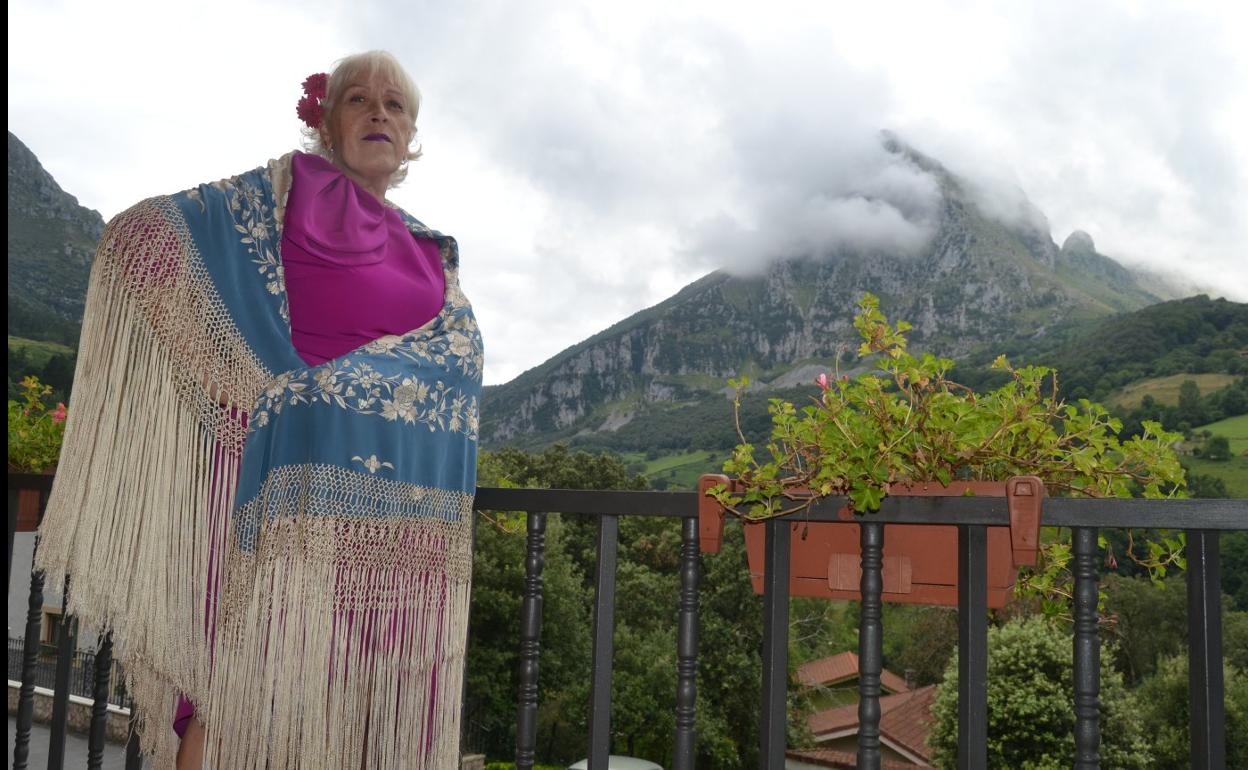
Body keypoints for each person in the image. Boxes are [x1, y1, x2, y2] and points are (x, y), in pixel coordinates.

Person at [34, 50, 483, 769]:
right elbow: (148, 237)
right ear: (326, 124)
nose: (377, 112)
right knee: (237, 695)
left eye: (394, 105)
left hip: (389, 514)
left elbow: (450, 361)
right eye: (357, 99)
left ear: (411, 136)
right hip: (271, 489)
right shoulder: (281, 192)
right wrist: (234, 378)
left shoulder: (431, 248)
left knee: (352, 706)